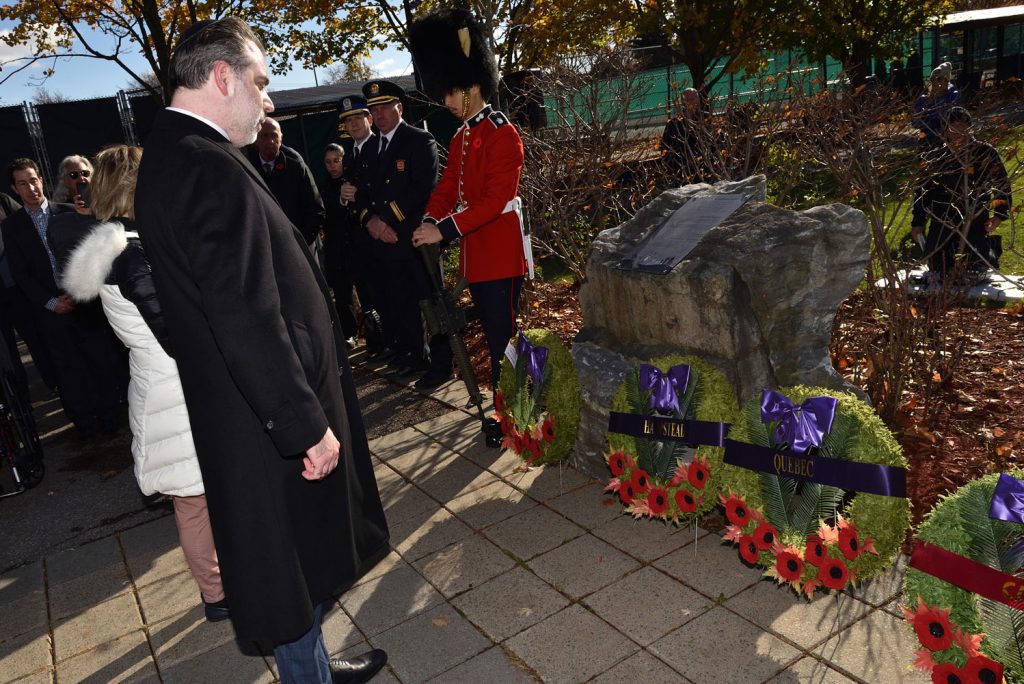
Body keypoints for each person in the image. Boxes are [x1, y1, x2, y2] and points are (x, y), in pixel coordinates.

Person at [133, 18, 388, 683]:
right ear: (223, 77)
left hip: (249, 411)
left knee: (297, 561)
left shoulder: (178, 152)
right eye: (261, 81)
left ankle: (316, 667)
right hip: (267, 420)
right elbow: (243, 313)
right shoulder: (202, 163)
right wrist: (304, 425)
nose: (269, 99)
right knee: (287, 566)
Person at [60, 145, 228, 623]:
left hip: (162, 385)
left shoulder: (120, 247)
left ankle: (220, 590)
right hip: (178, 389)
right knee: (197, 501)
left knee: (196, 500)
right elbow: (174, 332)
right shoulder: (132, 255)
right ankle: (219, 593)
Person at [409, 9, 527, 389]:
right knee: (494, 337)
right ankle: (509, 408)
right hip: (477, 257)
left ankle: (515, 410)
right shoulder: (462, 136)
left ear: (472, 86)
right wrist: (430, 219)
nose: (446, 101)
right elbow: (447, 188)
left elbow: (493, 202)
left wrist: (442, 230)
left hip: (500, 255)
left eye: (449, 92)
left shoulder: (501, 133)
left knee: (503, 341)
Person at [2, 158, 124, 438]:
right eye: (23, 183)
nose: (31, 188)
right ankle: (83, 423)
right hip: (49, 311)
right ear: (15, 190)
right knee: (67, 369)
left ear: (42, 180)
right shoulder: (12, 227)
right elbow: (20, 273)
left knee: (99, 361)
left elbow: (92, 254)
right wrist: (51, 302)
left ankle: (110, 417)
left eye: (33, 180)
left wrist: (79, 291)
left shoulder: (70, 211)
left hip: (84, 302)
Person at [355, 79, 439, 379]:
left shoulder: (418, 140)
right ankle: (410, 354)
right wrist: (371, 221)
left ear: (399, 108)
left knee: (428, 302)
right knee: (397, 301)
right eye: (374, 110)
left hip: (414, 238)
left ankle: (437, 364)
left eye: (384, 108)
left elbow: (421, 189)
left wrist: (385, 221)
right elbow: (360, 191)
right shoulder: (369, 148)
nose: (378, 115)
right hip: (383, 239)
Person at [911, 107, 1010, 280]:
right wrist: (918, 222)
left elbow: (1001, 183)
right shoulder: (935, 157)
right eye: (953, 127)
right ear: (945, 130)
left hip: (974, 215)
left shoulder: (984, 152)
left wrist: (999, 214)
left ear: (970, 128)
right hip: (942, 218)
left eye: (963, 126)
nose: (959, 131)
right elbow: (922, 190)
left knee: (973, 267)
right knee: (938, 267)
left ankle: (988, 252)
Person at [336, 96, 387, 358]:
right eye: (348, 121)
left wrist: (359, 196)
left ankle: (396, 347)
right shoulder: (349, 156)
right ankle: (381, 345)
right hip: (359, 239)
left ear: (369, 119)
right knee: (369, 296)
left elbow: (384, 192)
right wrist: (344, 197)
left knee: (387, 295)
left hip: (380, 233)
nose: (353, 124)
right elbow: (349, 195)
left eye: (358, 118)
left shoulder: (380, 147)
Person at [247, 117, 325, 246]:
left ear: (281, 138)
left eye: (274, 135)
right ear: (255, 139)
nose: (271, 141)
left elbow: (315, 208)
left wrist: (303, 241)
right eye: (265, 136)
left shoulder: (295, 165)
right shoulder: (248, 167)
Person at [318, 143, 359, 348]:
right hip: (336, 247)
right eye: (328, 162)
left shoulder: (355, 180)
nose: (332, 166)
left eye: (336, 161)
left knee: (368, 291)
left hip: (357, 245)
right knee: (343, 295)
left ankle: (377, 337)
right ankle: (349, 334)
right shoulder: (323, 187)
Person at [660, 88, 716, 185]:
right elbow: (665, 149)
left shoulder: (707, 119)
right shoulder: (673, 123)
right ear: (682, 102)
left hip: (705, 168)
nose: (690, 102)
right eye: (686, 99)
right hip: (681, 171)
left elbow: (715, 143)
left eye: (692, 99)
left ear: (698, 100)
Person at [912, 62, 961, 148]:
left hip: (946, 140)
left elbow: (951, 119)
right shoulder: (924, 99)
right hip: (926, 140)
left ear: (946, 80)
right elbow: (915, 122)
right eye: (932, 79)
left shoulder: (953, 96)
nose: (934, 82)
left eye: (938, 79)